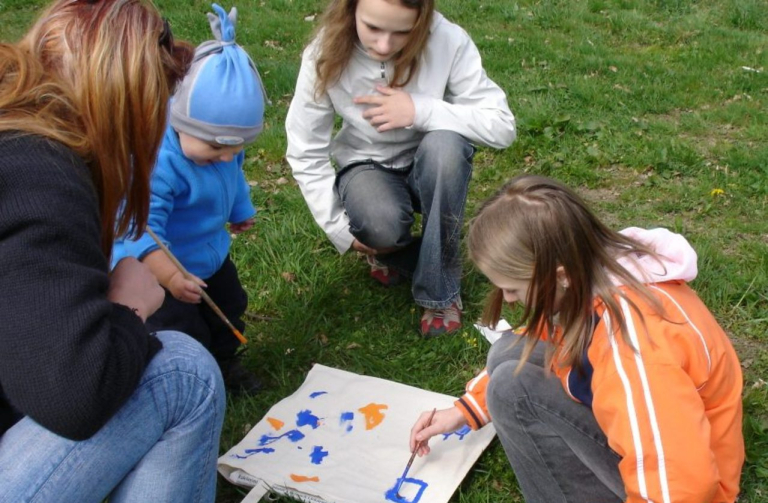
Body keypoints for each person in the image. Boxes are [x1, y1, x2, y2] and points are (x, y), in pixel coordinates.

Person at [0, 1, 227, 502]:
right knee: (184, 371)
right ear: (129, 107)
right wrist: (131, 305)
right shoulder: (41, 175)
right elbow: (76, 396)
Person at [410, 175, 744, 502]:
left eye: (513, 288)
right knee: (506, 354)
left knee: (514, 391)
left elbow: (681, 484)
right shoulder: (597, 270)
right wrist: (463, 411)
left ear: (560, 277)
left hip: (683, 485)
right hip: (668, 444)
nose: (508, 300)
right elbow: (539, 333)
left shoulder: (634, 349)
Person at [285, 0, 516, 337]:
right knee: (380, 225)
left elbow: (502, 126)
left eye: (402, 33)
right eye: (373, 28)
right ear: (350, 11)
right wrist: (337, 226)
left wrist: (418, 111)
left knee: (447, 145)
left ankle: (439, 293)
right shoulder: (325, 50)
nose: (383, 46)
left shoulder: (447, 40)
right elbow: (305, 147)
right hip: (366, 165)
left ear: (421, 21)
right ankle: (391, 249)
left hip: (431, 164)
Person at [112, 3, 267, 396]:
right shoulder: (159, 164)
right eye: (218, 148)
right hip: (163, 273)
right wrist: (171, 277)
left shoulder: (221, 146)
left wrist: (239, 209)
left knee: (229, 306)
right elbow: (140, 234)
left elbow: (232, 178)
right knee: (183, 328)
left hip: (210, 257)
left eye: (237, 148)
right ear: (180, 122)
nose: (228, 157)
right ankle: (192, 380)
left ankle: (225, 361)